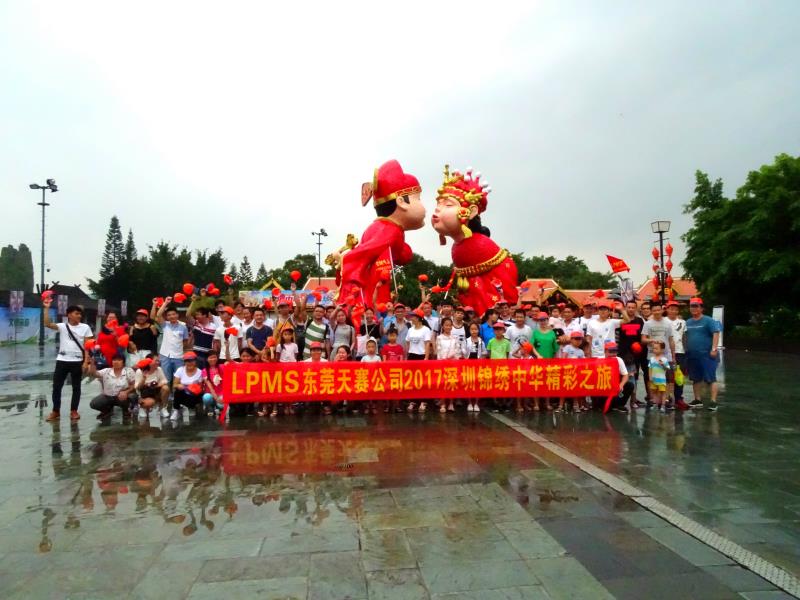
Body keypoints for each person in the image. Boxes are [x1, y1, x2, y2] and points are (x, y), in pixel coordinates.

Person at [430, 165, 519, 316]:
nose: (438, 209)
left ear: (471, 212)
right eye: (438, 204)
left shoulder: (480, 244)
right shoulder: (459, 246)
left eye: (448, 205)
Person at [339, 159, 425, 309]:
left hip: (377, 295)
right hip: (372, 301)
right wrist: (351, 294)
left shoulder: (386, 228)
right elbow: (357, 256)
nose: (422, 205)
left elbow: (399, 255)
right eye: (418, 199)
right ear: (401, 202)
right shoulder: (389, 230)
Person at [43, 299, 93, 422]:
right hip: (62, 360)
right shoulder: (62, 326)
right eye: (76, 313)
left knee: (76, 387)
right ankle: (55, 411)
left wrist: (86, 362)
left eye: (80, 314)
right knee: (56, 387)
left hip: (77, 361)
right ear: (69, 315)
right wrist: (47, 308)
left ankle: (74, 411)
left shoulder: (85, 327)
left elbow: (87, 346)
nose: (79, 316)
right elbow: (47, 324)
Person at [684, 297, 722, 411]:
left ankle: (713, 401)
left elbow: (716, 333)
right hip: (692, 355)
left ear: (701, 308)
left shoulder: (708, 320)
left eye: (696, 306)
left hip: (707, 355)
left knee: (711, 378)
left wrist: (714, 349)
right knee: (695, 378)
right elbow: (684, 336)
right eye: (692, 306)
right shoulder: (687, 322)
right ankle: (697, 400)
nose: (694, 308)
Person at [641, 303, 676, 409]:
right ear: (652, 311)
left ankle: (667, 399)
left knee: (668, 379)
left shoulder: (668, 323)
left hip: (666, 356)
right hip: (652, 355)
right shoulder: (648, 324)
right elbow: (643, 339)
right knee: (652, 379)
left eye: (658, 310)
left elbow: (671, 340)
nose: (656, 312)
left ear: (662, 310)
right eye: (654, 310)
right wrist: (652, 340)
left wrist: (673, 356)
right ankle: (653, 400)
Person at [155, 298, 190, 394]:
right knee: (166, 379)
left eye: (174, 314)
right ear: (166, 317)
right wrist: (166, 302)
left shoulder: (183, 327)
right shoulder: (165, 325)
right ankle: (167, 399)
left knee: (178, 379)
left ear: (177, 315)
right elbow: (158, 314)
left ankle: (176, 399)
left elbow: (185, 341)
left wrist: (179, 349)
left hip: (178, 357)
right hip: (165, 356)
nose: (172, 316)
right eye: (169, 315)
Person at [88, 353, 137, 420]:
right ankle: (107, 411)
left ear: (123, 362)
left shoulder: (128, 371)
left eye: (119, 360)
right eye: (114, 360)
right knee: (94, 403)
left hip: (122, 397)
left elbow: (134, 385)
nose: (116, 362)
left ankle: (126, 411)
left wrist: (126, 392)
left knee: (130, 397)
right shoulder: (106, 371)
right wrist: (92, 363)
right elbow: (94, 374)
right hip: (108, 396)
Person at [618, 300, 647, 407]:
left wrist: (640, 346)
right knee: (621, 376)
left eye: (633, 307)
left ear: (636, 309)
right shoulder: (620, 321)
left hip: (635, 353)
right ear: (626, 308)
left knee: (634, 376)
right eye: (629, 307)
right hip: (622, 353)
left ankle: (633, 400)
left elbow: (643, 336)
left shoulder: (640, 321)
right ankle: (619, 399)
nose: (631, 309)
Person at [405, 310, 432, 413]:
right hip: (412, 356)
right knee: (412, 380)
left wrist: (426, 357)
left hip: (422, 356)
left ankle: (423, 401)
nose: (411, 318)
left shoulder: (426, 329)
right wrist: (407, 355)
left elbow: (427, 344)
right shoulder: (410, 329)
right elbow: (407, 342)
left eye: (413, 316)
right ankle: (413, 400)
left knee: (423, 380)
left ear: (418, 317)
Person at [435, 317, 462, 412]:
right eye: (446, 325)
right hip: (443, 363)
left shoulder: (455, 338)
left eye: (450, 325)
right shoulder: (439, 338)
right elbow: (438, 351)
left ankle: (451, 403)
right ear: (442, 326)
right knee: (443, 384)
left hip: (452, 363)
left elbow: (458, 351)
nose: (448, 327)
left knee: (451, 383)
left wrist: (453, 358)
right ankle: (442, 403)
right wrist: (444, 359)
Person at [171, 351, 207, 421]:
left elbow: (201, 388)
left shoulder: (200, 372)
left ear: (195, 361)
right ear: (184, 362)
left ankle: (192, 407)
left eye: (192, 360)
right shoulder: (180, 370)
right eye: (187, 361)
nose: (190, 363)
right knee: (177, 391)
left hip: (193, 395)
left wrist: (195, 388)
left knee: (197, 394)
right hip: (183, 393)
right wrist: (179, 385)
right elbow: (174, 385)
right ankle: (176, 410)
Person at [666, 300, 688, 409]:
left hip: (680, 352)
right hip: (666, 352)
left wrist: (686, 350)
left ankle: (679, 398)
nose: (673, 311)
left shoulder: (682, 322)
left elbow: (684, 336)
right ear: (667, 309)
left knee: (679, 376)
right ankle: (667, 398)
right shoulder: (663, 321)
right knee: (668, 377)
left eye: (675, 309)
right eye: (671, 309)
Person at [605, 342, 634, 413]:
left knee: (630, 385)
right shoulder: (600, 360)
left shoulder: (619, 360)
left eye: (615, 351)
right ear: (605, 351)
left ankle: (619, 405)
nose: (613, 354)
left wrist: (621, 385)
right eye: (610, 351)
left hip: (615, 384)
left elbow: (625, 375)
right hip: (603, 385)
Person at [464, 322, 486, 413]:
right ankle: (469, 403)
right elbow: (463, 352)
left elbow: (484, 352)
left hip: (478, 365)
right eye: (472, 329)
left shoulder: (481, 341)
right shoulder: (466, 341)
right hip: (468, 365)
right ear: (469, 330)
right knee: (469, 384)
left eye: (475, 329)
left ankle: (476, 403)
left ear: (478, 330)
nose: (474, 331)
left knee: (478, 384)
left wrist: (482, 358)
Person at [360, 338, 382, 414]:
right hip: (366, 378)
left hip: (375, 378)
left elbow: (380, 368)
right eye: (369, 347)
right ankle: (367, 406)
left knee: (374, 392)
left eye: (372, 347)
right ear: (366, 348)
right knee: (367, 393)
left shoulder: (378, 358)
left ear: (375, 348)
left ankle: (374, 406)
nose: (371, 348)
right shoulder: (364, 358)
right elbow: (360, 368)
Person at [648, 341, 671, 412]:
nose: (654, 350)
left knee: (663, 392)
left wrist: (663, 364)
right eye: (653, 348)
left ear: (662, 350)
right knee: (654, 392)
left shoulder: (664, 359)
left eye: (656, 348)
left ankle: (663, 405)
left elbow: (667, 368)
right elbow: (650, 368)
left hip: (661, 379)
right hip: (654, 379)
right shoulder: (652, 359)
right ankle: (655, 404)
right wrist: (650, 377)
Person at [203, 351, 225, 416]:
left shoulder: (222, 366)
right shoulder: (204, 370)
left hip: (221, 393)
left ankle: (219, 408)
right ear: (207, 359)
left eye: (214, 357)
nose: (213, 359)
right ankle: (210, 407)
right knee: (206, 397)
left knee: (221, 405)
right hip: (211, 393)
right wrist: (216, 398)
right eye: (210, 357)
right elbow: (210, 387)